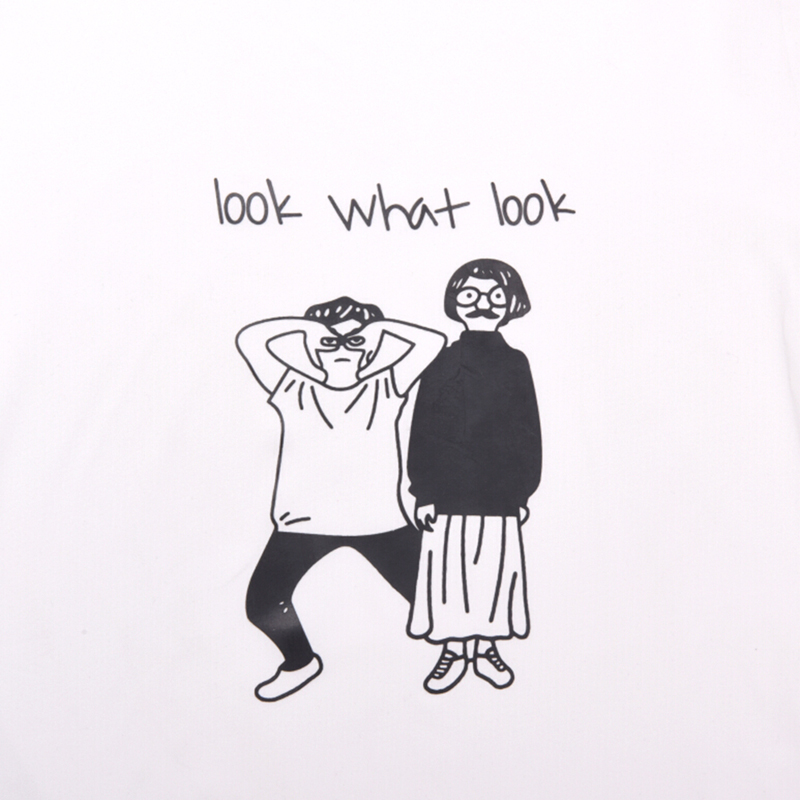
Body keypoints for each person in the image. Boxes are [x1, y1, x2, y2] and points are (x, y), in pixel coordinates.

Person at [236, 296, 445, 701]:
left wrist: (370, 332)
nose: (343, 348)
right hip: (302, 523)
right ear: (311, 345)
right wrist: (316, 331)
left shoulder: (387, 383)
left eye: (356, 341)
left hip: (381, 520)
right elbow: (250, 339)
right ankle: (300, 662)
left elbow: (431, 342)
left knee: (436, 596)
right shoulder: (290, 384)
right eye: (330, 341)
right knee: (263, 603)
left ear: (373, 345)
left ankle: (461, 654)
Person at [406, 259, 542, 693]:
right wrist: (423, 491)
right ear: (455, 301)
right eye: (470, 295)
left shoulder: (516, 362)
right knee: (449, 572)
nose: (482, 303)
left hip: (499, 492)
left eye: (494, 296)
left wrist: (522, 492)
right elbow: (422, 427)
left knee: (493, 571)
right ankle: (452, 647)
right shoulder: (441, 360)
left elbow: (528, 430)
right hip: (447, 492)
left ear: (511, 304)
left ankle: (486, 647)